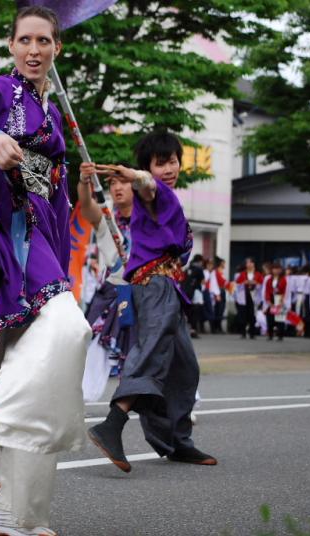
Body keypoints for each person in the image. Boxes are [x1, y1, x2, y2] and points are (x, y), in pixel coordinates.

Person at [0, 7, 92, 535]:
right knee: (67, 332)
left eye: (44, 41)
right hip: (5, 232)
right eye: (25, 40)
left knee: (41, 368)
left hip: (43, 235)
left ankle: (13, 514)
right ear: (11, 45)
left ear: (57, 48)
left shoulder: (51, 111)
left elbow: (59, 197)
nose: (34, 49)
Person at [87, 130, 217, 474]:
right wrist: (137, 176)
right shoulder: (151, 192)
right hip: (154, 285)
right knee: (152, 353)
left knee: (184, 368)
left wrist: (140, 175)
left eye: (173, 161)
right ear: (148, 168)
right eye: (160, 164)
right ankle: (112, 423)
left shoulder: (169, 196)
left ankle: (176, 441)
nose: (169, 169)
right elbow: (147, 186)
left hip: (167, 287)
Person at [76, 160, 135, 402]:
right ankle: (77, 401)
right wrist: (84, 180)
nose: (117, 187)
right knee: (94, 346)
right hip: (113, 292)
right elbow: (87, 206)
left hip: (146, 291)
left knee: (159, 348)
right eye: (113, 183)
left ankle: (181, 402)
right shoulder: (106, 216)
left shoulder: (150, 219)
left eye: (123, 182)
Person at [235, 257, 263, 339]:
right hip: (244, 295)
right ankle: (243, 332)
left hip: (254, 295)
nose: (249, 264)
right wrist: (244, 283)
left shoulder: (258, 274)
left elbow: (262, 285)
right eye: (247, 263)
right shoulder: (242, 274)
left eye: (251, 262)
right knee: (243, 315)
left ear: (254, 264)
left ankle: (252, 333)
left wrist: (255, 283)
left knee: (252, 315)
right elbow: (237, 284)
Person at [263, 262, 287, 341]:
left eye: (278, 269)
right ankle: (270, 334)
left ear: (280, 270)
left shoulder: (283, 279)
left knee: (280, 318)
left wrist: (282, 300)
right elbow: (267, 291)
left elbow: (285, 290)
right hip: (271, 299)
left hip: (280, 299)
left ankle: (280, 335)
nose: (276, 270)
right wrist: (268, 301)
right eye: (274, 269)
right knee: (270, 318)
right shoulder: (269, 280)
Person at [184, 254, 206, 337]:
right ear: (200, 261)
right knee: (196, 311)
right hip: (196, 292)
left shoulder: (188, 268)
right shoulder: (199, 269)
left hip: (186, 292)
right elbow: (203, 281)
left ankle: (189, 329)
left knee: (189, 310)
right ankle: (194, 330)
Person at [212, 257, 228, 334]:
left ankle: (219, 326)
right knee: (218, 309)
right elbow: (217, 283)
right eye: (223, 263)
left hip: (222, 291)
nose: (224, 265)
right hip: (218, 291)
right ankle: (216, 327)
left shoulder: (221, 272)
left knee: (221, 309)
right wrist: (217, 294)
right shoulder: (216, 272)